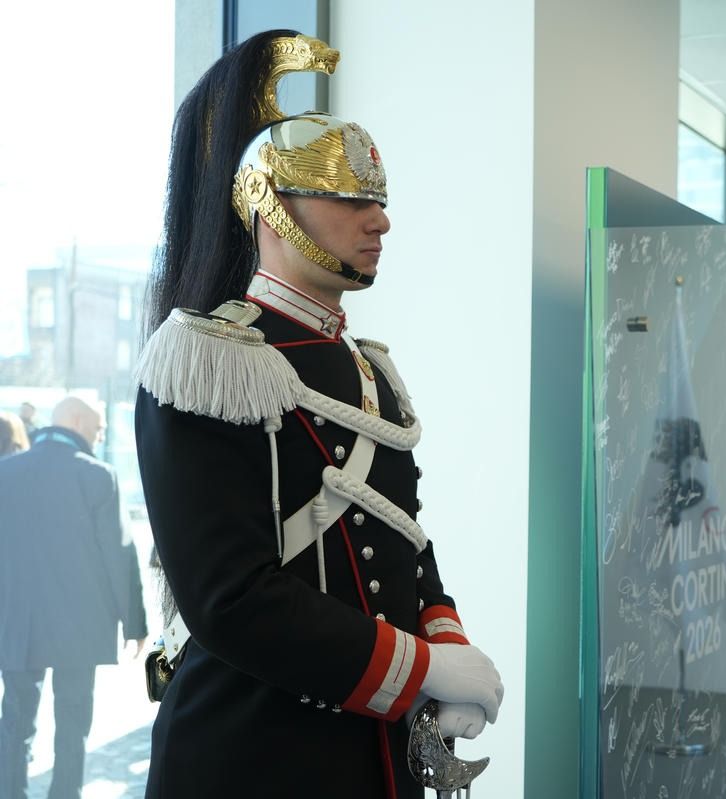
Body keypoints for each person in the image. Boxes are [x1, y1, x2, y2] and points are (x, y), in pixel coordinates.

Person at [134, 31, 503, 798]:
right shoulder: (205, 360)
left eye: (380, 201)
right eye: (349, 198)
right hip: (253, 755)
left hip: (376, 751)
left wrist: (446, 641)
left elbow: (404, 539)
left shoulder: (371, 369)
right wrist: (423, 669)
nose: (379, 221)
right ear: (269, 202)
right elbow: (230, 599)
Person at [0, 397, 148, 799]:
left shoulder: (6, 472)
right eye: (98, 429)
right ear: (77, 420)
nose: (100, 437)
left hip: (18, 620)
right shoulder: (98, 476)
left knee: (14, 721)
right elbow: (119, 554)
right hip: (79, 624)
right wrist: (135, 624)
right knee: (73, 725)